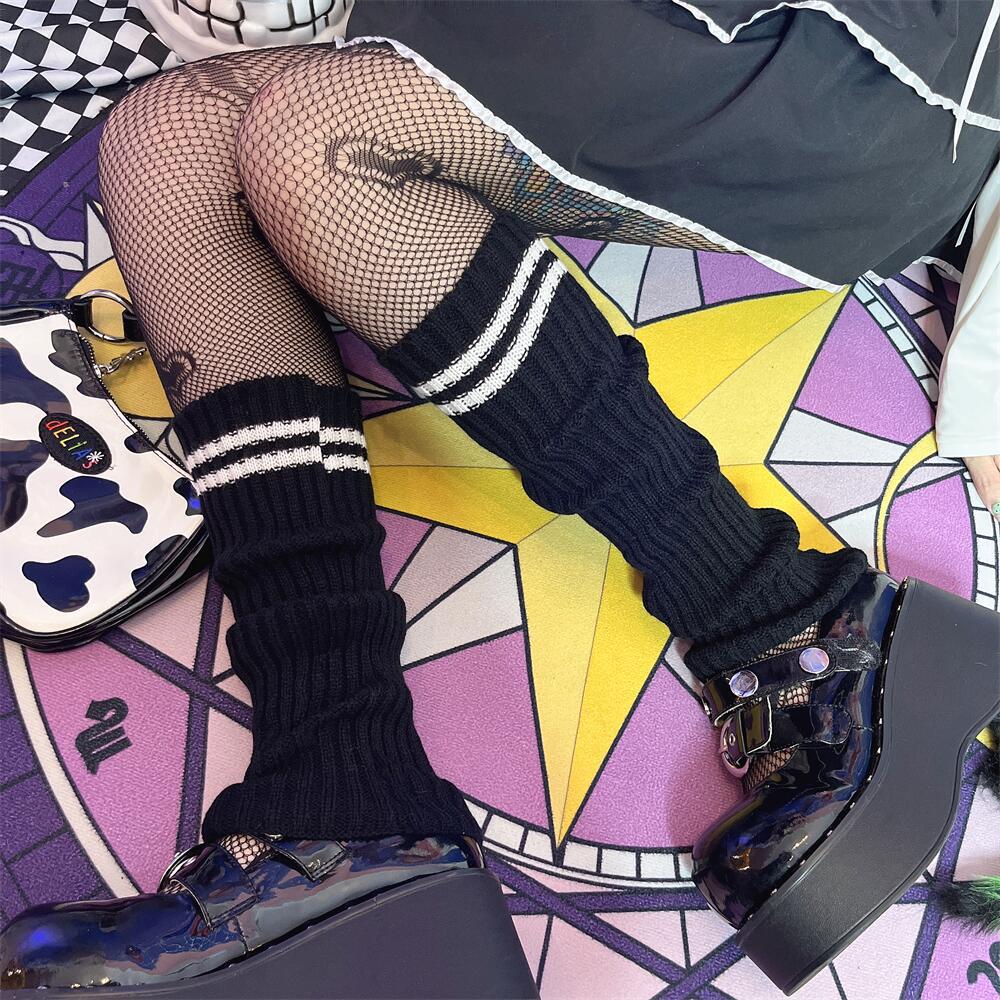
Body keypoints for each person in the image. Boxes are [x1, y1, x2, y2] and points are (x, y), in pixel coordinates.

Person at [2, 3, 998, 996]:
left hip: (865, 59)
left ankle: (783, 610)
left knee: (323, 145)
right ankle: (338, 790)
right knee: (164, 140)